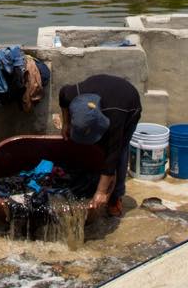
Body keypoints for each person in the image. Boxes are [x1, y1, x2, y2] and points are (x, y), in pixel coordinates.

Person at [57, 75, 142, 219]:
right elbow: (62, 95)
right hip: (102, 91)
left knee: (119, 152)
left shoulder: (116, 119)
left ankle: (115, 197)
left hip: (129, 105)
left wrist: (102, 192)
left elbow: (113, 156)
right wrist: (66, 123)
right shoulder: (71, 95)